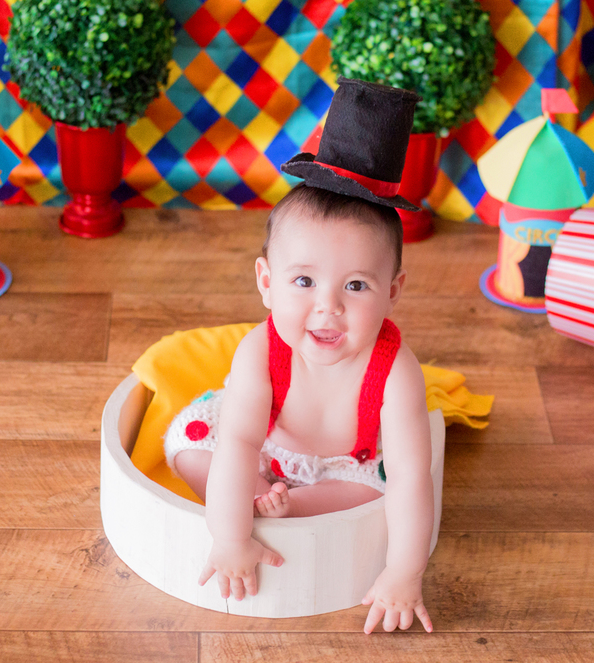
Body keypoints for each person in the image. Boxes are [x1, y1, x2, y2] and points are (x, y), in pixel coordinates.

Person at [163, 78, 435, 634]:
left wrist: (406, 571)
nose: (327, 308)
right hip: (264, 444)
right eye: (304, 281)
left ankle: (293, 508)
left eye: (356, 287)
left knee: (373, 496)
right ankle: (264, 499)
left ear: (394, 290)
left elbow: (410, 475)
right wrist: (231, 537)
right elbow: (239, 440)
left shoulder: (396, 370)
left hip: (344, 463)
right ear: (266, 282)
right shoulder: (261, 350)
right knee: (189, 449)